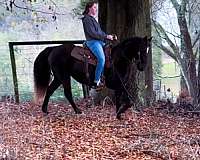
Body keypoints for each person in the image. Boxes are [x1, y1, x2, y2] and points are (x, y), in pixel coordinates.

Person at [82, 1, 116, 89]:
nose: (96, 9)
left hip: (99, 41)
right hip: (93, 42)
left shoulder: (93, 19)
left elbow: (100, 32)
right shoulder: (87, 19)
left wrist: (109, 37)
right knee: (101, 59)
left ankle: (106, 77)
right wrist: (106, 36)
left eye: (96, 8)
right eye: (94, 7)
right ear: (89, 8)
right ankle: (96, 82)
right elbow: (93, 33)